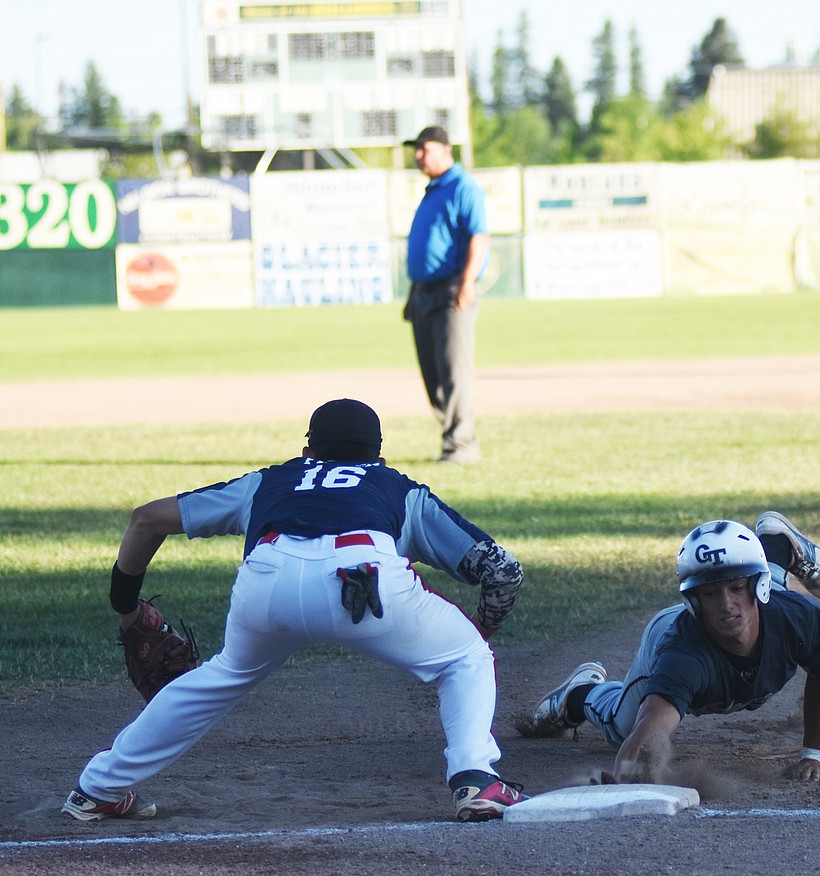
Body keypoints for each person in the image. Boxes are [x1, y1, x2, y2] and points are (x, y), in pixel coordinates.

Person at [62, 398, 528, 824]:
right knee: (463, 655)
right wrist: (479, 632)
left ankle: (98, 787)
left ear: (308, 450)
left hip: (267, 578)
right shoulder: (397, 488)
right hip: (362, 581)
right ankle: (474, 778)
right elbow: (503, 573)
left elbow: (146, 518)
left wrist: (125, 608)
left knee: (221, 675)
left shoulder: (271, 480)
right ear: (379, 457)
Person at [523, 512, 820, 784]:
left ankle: (776, 544)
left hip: (769, 604)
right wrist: (628, 766)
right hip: (666, 634)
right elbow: (653, 723)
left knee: (759, 589)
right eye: (710, 594)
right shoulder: (683, 653)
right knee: (620, 727)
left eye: (737, 588)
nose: (726, 604)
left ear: (754, 586)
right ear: (694, 600)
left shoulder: (797, 619)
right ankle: (580, 694)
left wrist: (815, 754)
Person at [402, 126, 489, 465]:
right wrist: (413, 293)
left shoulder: (463, 187)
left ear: (445, 150)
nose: (418, 155)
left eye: (424, 148)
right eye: (417, 149)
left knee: (454, 371)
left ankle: (462, 446)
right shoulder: (432, 190)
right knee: (433, 375)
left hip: (453, 290)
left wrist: (467, 283)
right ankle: (454, 436)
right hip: (424, 292)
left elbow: (478, 237)